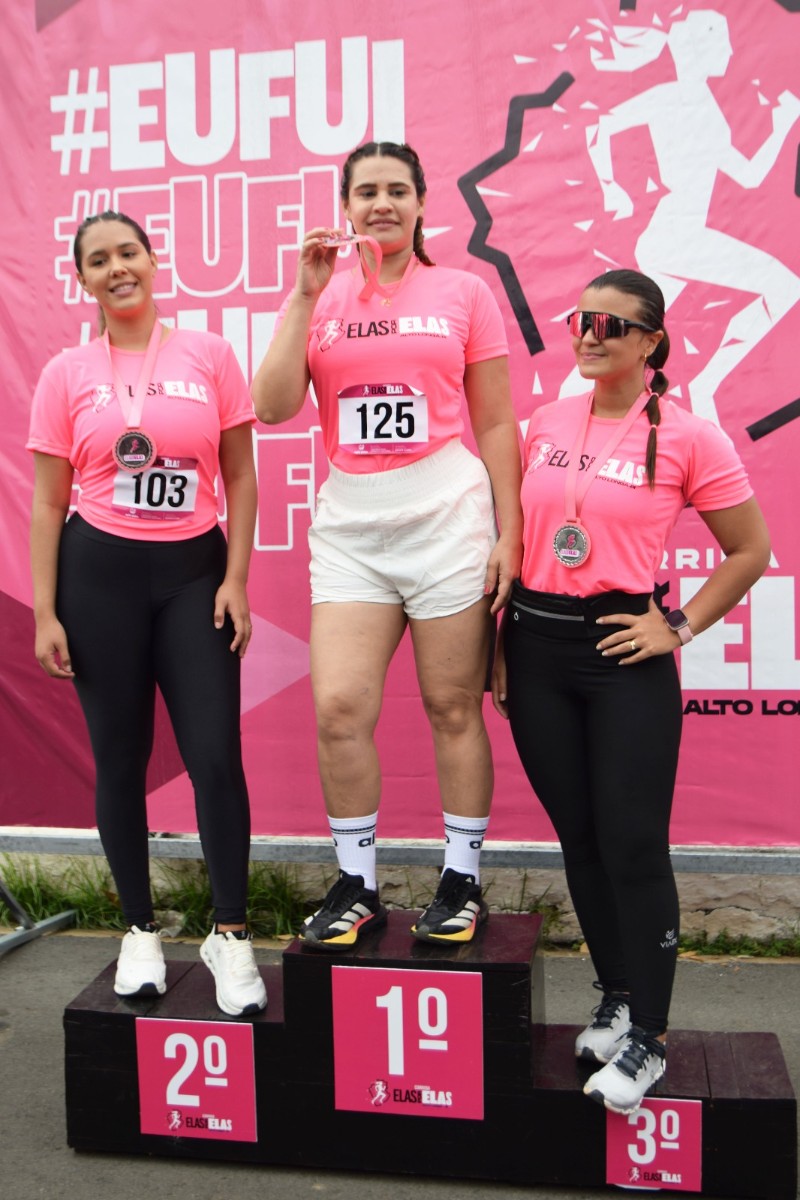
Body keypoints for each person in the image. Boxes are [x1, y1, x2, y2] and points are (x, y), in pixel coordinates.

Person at [492, 269, 770, 1114]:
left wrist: (677, 628)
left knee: (634, 845)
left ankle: (648, 1035)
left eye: (610, 325)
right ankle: (614, 997)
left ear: (649, 343)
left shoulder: (690, 437)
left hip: (622, 656)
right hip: (534, 644)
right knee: (578, 836)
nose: (588, 334)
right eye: (580, 319)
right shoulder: (545, 421)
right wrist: (500, 648)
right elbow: (518, 537)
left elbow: (749, 551)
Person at [252, 142, 522, 949]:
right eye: (366, 191)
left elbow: (498, 419)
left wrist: (508, 531)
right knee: (338, 708)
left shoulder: (464, 291)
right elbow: (270, 407)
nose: (382, 204)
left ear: (422, 203)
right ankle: (357, 883)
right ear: (346, 204)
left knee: (451, 706)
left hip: (446, 515)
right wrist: (304, 297)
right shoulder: (322, 296)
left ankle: (461, 877)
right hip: (353, 527)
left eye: (397, 191)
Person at [28, 211, 267, 1016]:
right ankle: (139, 930)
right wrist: (45, 612)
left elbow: (240, 476)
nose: (117, 268)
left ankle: (230, 934)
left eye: (128, 252)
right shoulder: (66, 372)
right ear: (84, 278)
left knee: (214, 756)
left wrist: (235, 579)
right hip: (97, 577)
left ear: (153, 259)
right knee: (120, 759)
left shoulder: (209, 355)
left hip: (193, 574)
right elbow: (47, 501)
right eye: (99, 260)